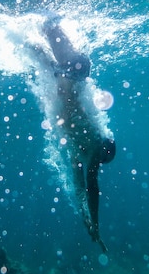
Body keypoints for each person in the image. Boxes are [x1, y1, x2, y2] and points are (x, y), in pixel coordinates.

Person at [39, 13, 116, 252]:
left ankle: (40, 17)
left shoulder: (79, 153)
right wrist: (95, 223)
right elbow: (91, 188)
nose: (97, 163)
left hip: (70, 73)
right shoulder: (91, 150)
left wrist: (88, 220)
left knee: (42, 37)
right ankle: (46, 12)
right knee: (49, 29)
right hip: (73, 73)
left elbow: (81, 188)